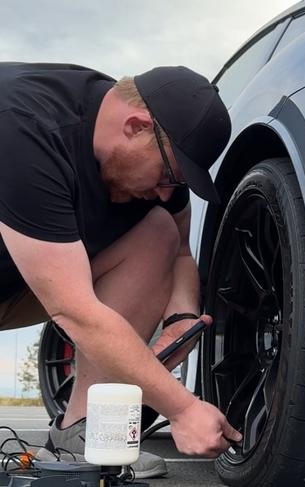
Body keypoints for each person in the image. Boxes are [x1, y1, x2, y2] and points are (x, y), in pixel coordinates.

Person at [0, 63, 242, 478]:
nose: (166, 192)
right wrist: (181, 408)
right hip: (43, 287)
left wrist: (181, 316)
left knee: (158, 231)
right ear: (135, 126)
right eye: (168, 175)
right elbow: (73, 310)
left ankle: (78, 435)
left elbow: (181, 253)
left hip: (20, 284)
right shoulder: (23, 128)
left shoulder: (156, 173)